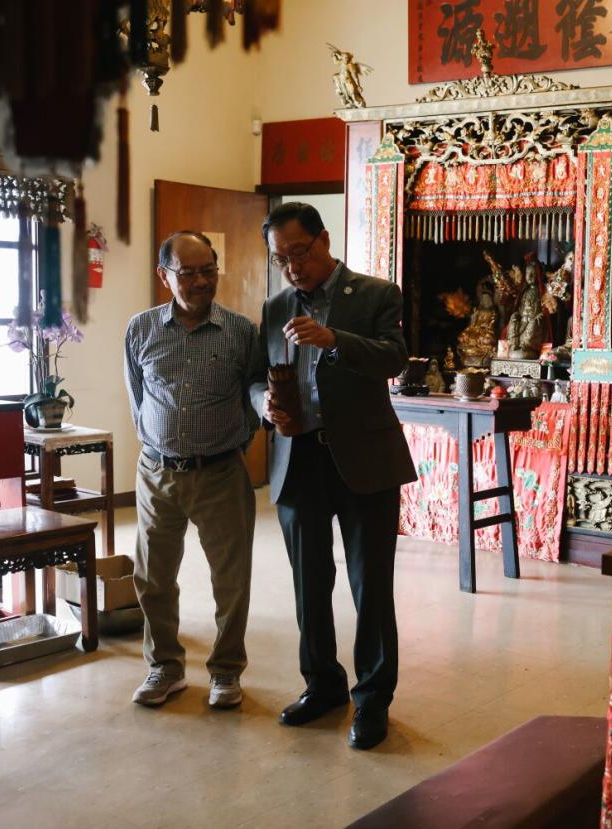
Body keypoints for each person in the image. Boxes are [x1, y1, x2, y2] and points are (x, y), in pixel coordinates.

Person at [250, 202, 416, 749]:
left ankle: (373, 700)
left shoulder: (374, 294)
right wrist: (262, 408)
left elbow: (394, 358)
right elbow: (256, 379)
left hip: (363, 460)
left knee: (370, 586)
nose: (292, 267)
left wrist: (335, 340)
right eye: (281, 259)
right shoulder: (274, 307)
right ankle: (322, 685)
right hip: (298, 460)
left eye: (299, 252)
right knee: (309, 583)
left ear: (324, 240)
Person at [123, 231, 260, 709]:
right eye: (189, 272)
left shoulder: (241, 331)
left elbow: (254, 399)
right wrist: (161, 446)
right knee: (152, 576)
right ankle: (165, 667)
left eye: (209, 270)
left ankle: (225, 671)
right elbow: (138, 399)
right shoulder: (140, 329)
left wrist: (227, 448)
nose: (202, 281)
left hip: (221, 471)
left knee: (231, 578)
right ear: (165, 276)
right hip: (156, 472)